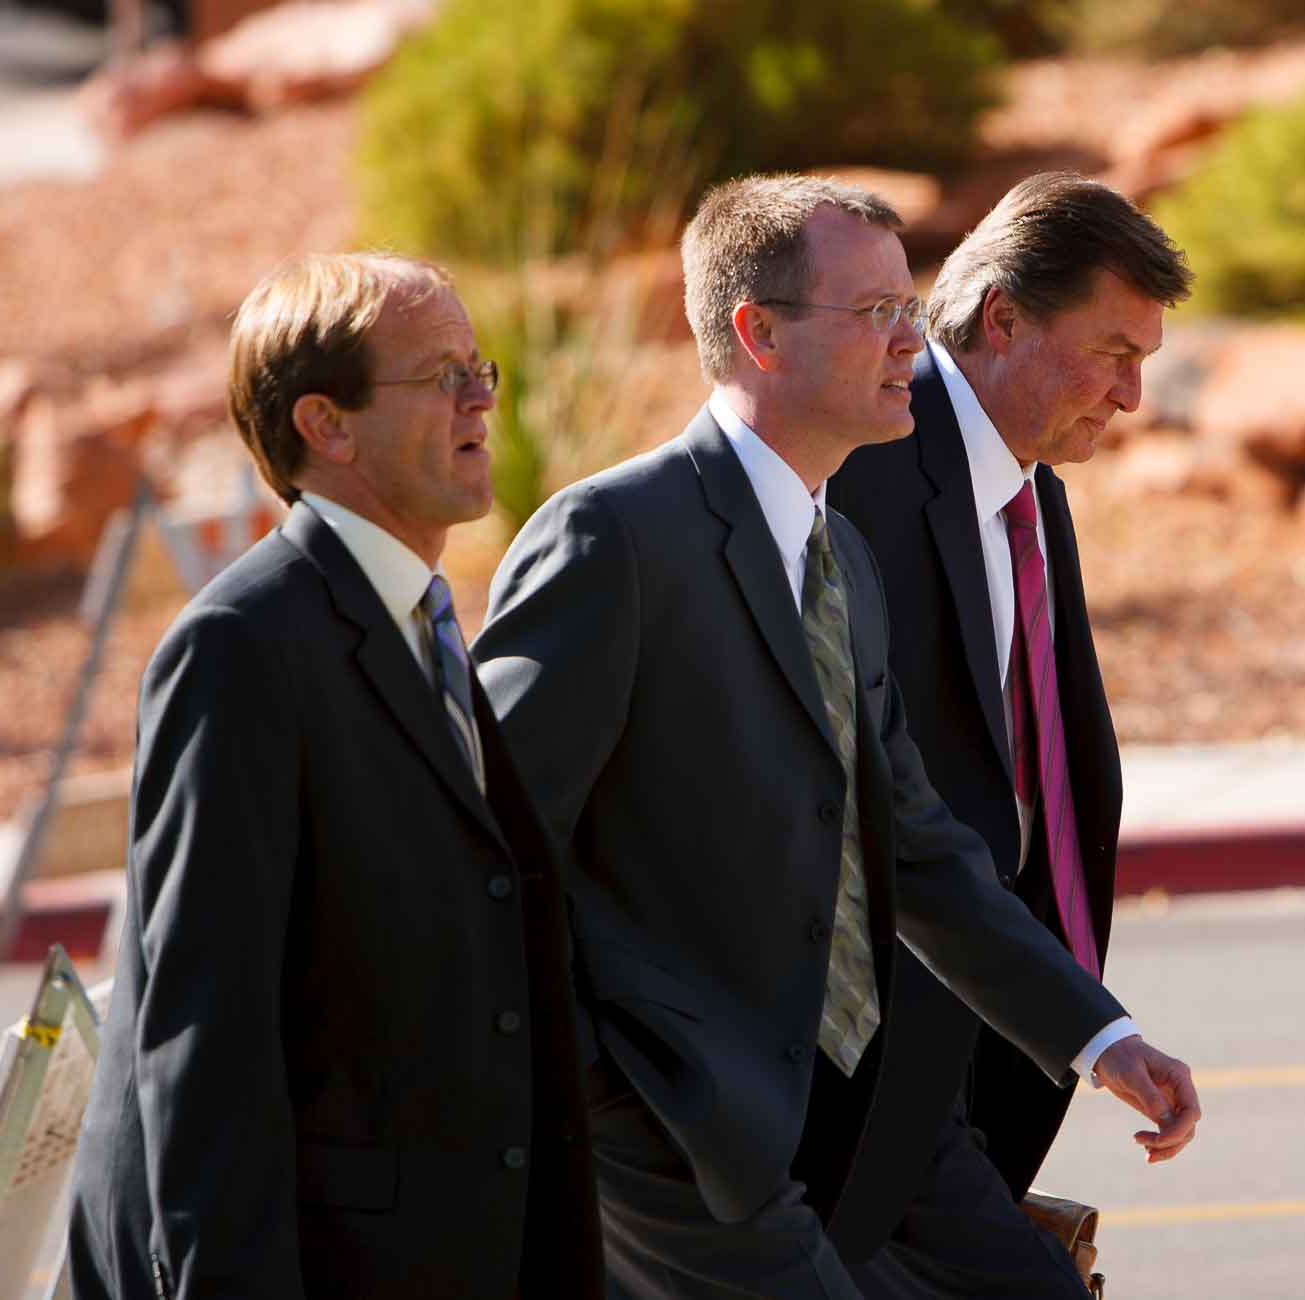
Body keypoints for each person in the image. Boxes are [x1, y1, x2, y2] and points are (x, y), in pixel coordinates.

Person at [471, 173, 1200, 1299]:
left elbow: (912, 839)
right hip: (677, 1136)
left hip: (857, 1108)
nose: (914, 341)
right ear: (758, 334)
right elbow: (490, 852)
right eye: (878, 316)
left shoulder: (838, 557)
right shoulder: (611, 537)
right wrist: (610, 1098)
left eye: (911, 310)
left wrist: (1096, 1036)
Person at [65, 253, 602, 1300]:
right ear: (328, 424)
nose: (482, 399)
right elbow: (204, 1036)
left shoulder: (425, 627)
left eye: (478, 368)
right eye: (442, 374)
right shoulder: (240, 648)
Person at [825, 172, 1193, 1297]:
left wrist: (1082, 1025)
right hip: (879, 1069)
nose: (1132, 398)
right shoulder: (859, 477)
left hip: (996, 1040)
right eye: (1113, 353)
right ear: (1002, 319)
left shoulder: (1036, 491)